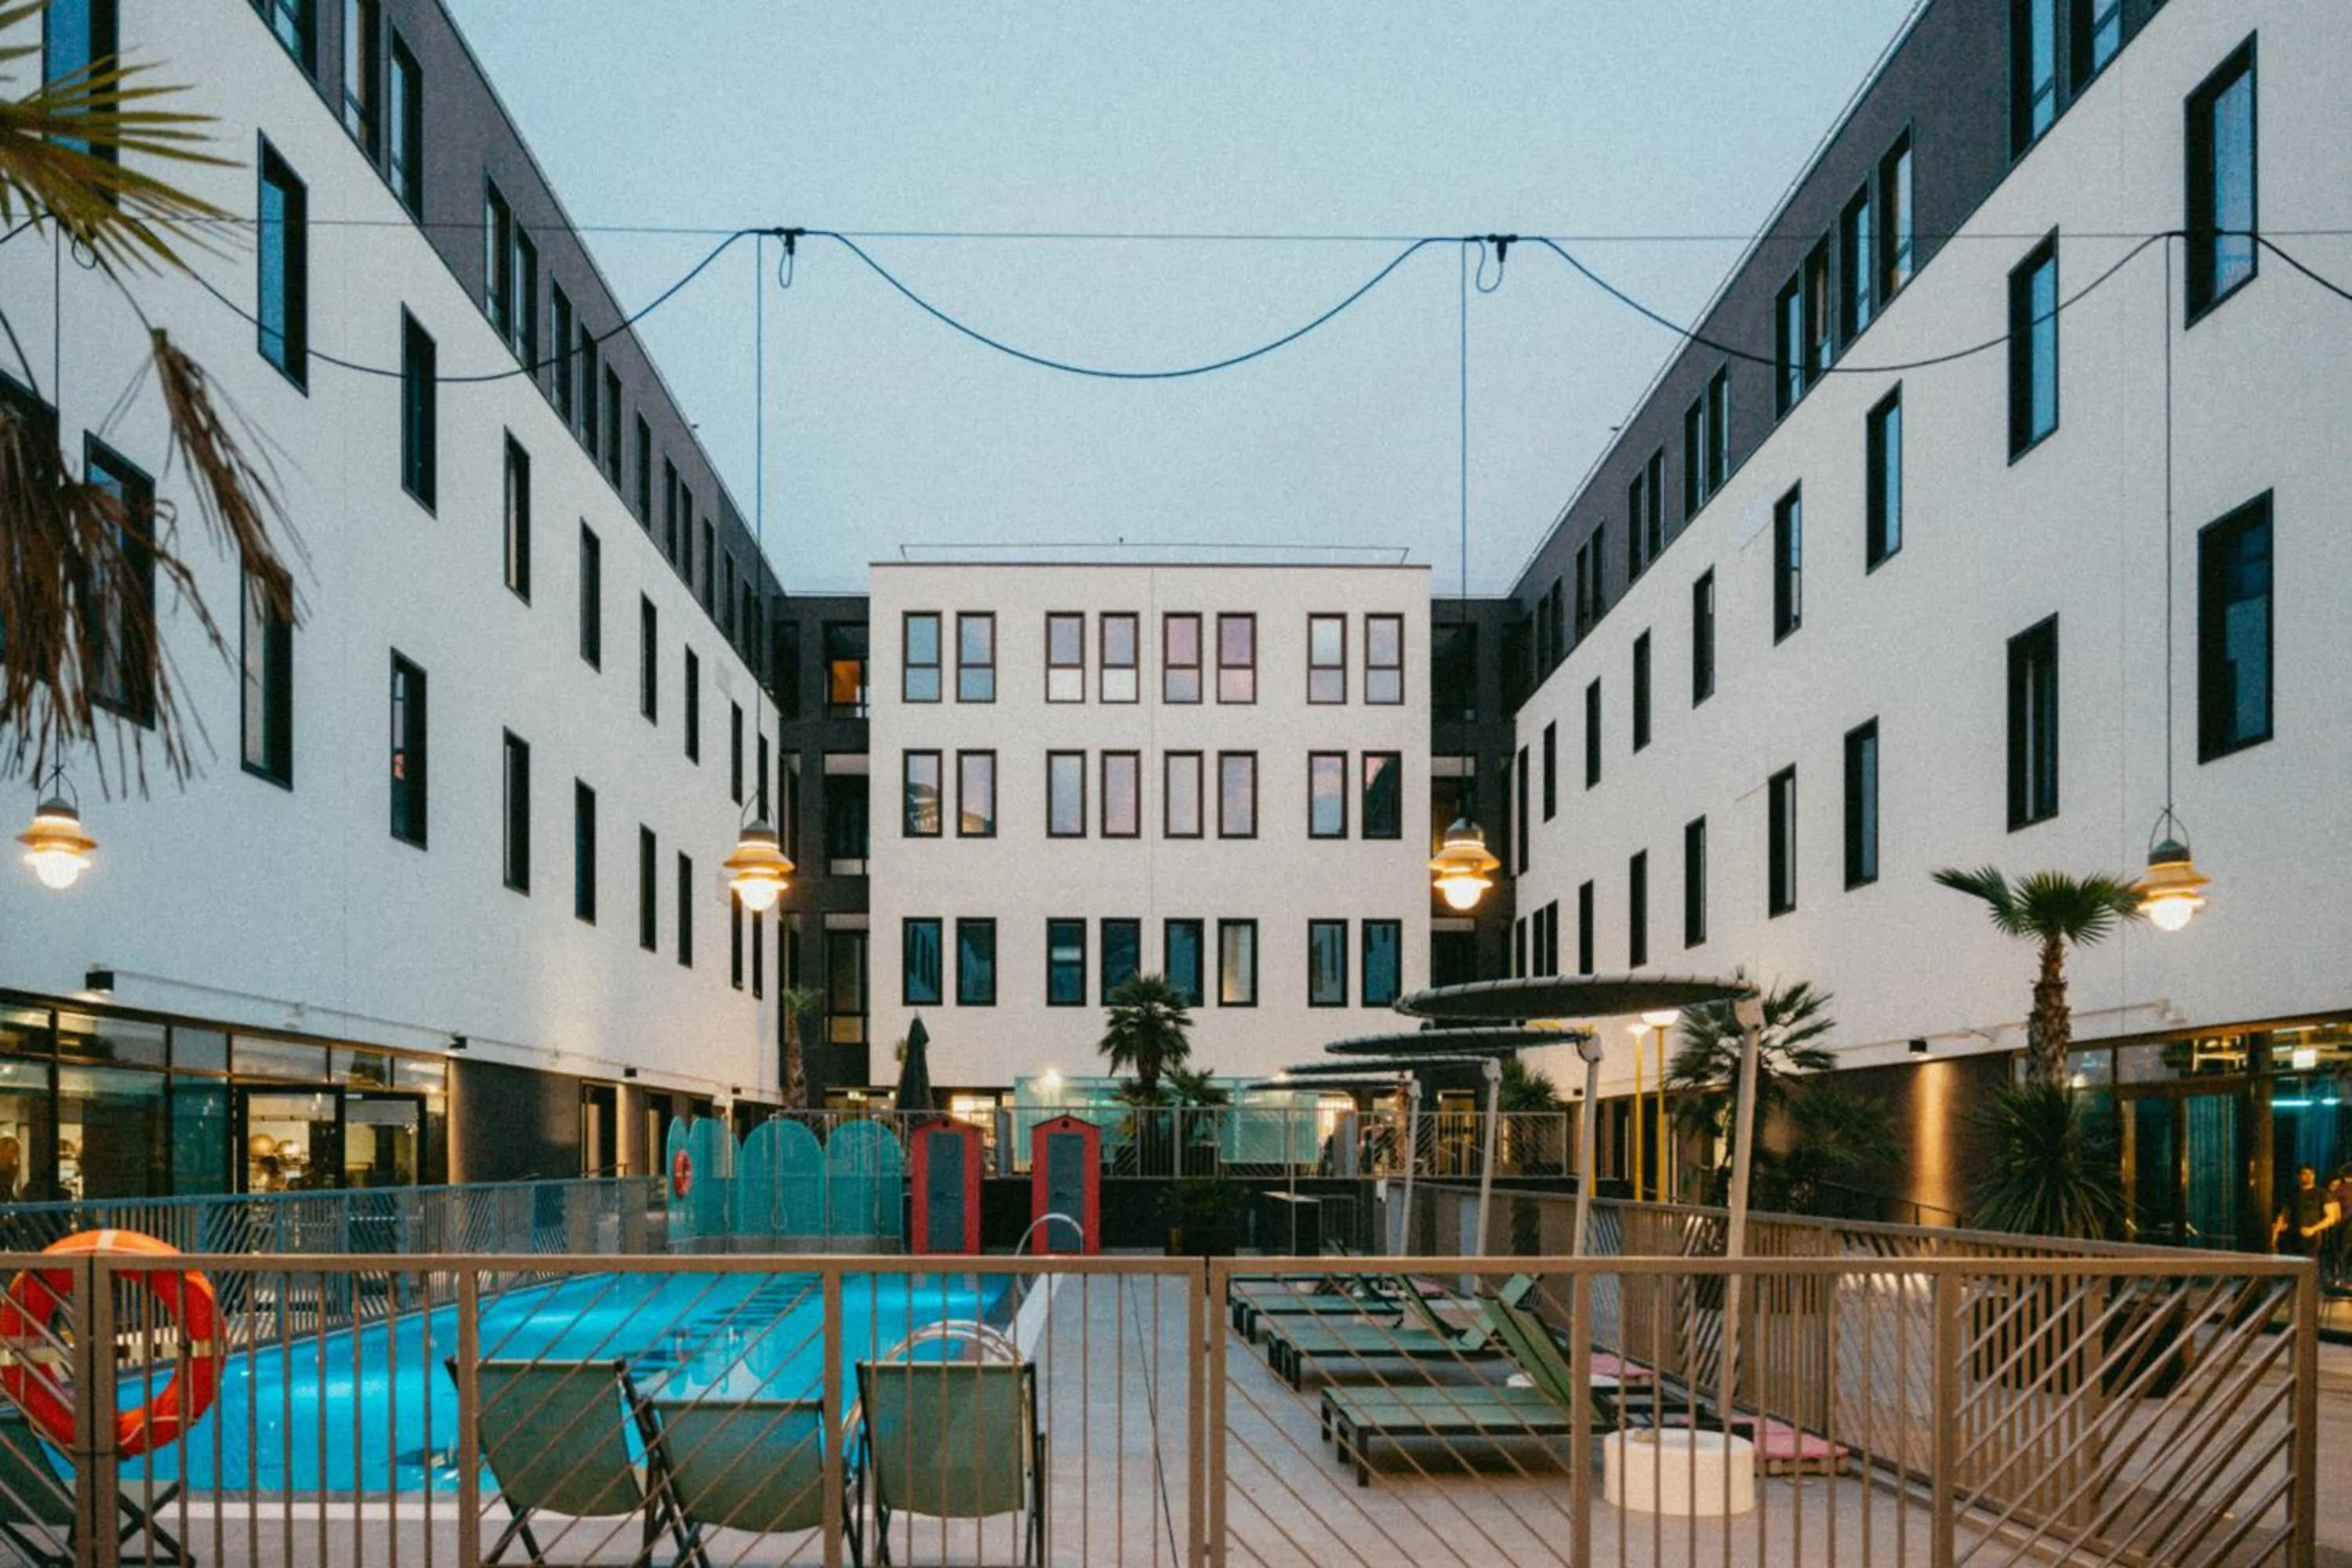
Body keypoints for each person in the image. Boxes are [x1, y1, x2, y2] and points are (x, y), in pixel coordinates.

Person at [2272, 1165, 2339, 1258]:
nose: (2309, 1176)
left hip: (2313, 1237)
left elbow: (2331, 1218)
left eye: (2311, 1174)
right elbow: (2284, 1214)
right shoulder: (2293, 1193)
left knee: (2309, 1266)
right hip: (2293, 1235)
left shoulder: (2322, 1193)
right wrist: (2275, 1233)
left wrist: (2313, 1229)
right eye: (2305, 1174)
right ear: (2298, 1176)